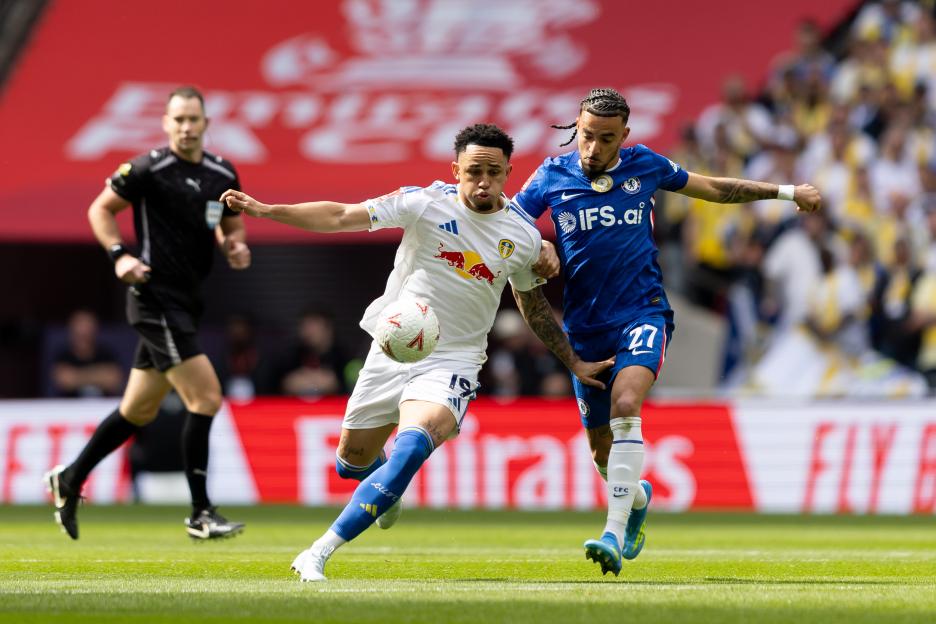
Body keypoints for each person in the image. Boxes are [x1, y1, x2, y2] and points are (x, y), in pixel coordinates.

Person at [220, 123, 613, 582]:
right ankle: (384, 487)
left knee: (413, 444)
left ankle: (317, 552)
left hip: (455, 360)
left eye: (492, 172)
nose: (482, 182)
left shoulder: (522, 236)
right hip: (393, 347)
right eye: (473, 172)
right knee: (351, 462)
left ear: (508, 172)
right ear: (455, 170)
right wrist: (269, 210)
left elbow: (535, 308)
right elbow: (341, 216)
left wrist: (572, 361)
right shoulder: (423, 203)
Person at [511, 88, 822, 576]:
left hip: (643, 313)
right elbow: (507, 226)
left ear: (625, 137)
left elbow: (716, 189)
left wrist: (785, 193)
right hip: (585, 329)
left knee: (627, 405)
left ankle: (611, 534)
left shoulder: (645, 166)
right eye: (587, 136)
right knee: (601, 454)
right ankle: (635, 499)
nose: (592, 149)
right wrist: (534, 247)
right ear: (577, 127)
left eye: (605, 139)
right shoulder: (551, 174)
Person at [44, 86, 251, 540]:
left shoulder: (222, 173)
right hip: (154, 297)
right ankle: (200, 511)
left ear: (206, 124)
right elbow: (100, 209)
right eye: (177, 119)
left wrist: (234, 245)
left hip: (188, 302)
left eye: (193, 119)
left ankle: (70, 478)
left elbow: (227, 223)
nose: (185, 127)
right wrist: (119, 253)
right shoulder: (146, 169)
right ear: (165, 123)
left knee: (137, 410)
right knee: (206, 398)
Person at [50, 309, 123, 398]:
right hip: (70, 407)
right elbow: (64, 381)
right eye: (79, 326)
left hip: (102, 406)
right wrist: (100, 374)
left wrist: (76, 376)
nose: (83, 331)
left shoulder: (106, 354)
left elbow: (114, 380)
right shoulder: (63, 355)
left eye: (87, 326)